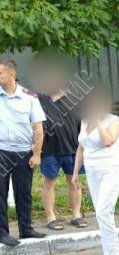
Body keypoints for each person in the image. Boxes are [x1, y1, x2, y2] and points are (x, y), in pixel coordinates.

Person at [72, 88, 119, 255]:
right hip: (92, 172)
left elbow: (108, 141)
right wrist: (76, 173)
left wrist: (98, 122)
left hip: (111, 171)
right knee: (100, 213)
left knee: (103, 211)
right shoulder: (85, 120)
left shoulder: (114, 121)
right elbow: (81, 148)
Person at [0, 58, 47, 246]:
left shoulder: (29, 97)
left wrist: (36, 154)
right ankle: (2, 232)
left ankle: (25, 229)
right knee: (0, 194)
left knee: (24, 192)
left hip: (23, 152)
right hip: (1, 150)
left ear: (12, 74)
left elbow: (38, 128)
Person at [36, 65, 87, 231]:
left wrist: (84, 149)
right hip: (49, 151)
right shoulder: (39, 100)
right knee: (50, 182)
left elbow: (83, 127)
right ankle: (51, 218)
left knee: (74, 183)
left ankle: (76, 215)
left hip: (73, 149)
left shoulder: (76, 100)